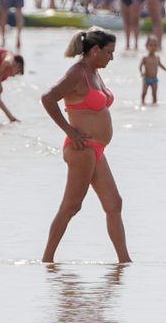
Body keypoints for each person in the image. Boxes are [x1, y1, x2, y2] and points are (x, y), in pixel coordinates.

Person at [40, 28, 130, 264]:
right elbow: (48, 98)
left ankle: (124, 262)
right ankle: (47, 260)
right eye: (109, 52)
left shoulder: (95, 72)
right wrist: (69, 130)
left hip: (96, 150)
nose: (112, 58)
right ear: (95, 50)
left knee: (114, 204)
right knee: (71, 206)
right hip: (82, 149)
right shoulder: (77, 73)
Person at [139, 38, 166, 105]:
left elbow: (161, 65)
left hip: (154, 79)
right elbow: (140, 66)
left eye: (155, 45)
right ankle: (143, 103)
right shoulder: (145, 58)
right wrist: (141, 72)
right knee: (144, 93)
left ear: (157, 47)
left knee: (154, 94)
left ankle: (154, 105)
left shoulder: (157, 58)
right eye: (151, 45)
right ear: (147, 46)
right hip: (146, 79)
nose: (153, 47)